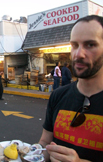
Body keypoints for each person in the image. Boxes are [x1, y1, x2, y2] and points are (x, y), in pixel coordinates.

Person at [38, 15, 103, 162]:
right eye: (74, 45)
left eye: (90, 45)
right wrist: (27, 155)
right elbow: (45, 143)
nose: (78, 54)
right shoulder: (58, 95)